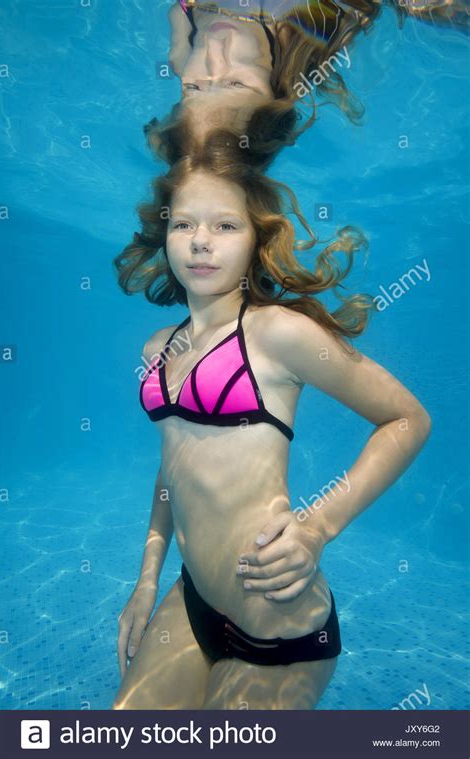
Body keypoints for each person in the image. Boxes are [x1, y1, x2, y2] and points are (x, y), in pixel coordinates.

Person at [110, 134, 431, 709]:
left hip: (278, 626)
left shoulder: (278, 333)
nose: (201, 242)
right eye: (184, 225)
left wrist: (316, 528)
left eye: (226, 226)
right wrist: (146, 580)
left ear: (257, 239)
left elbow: (407, 419)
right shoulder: (157, 349)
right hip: (192, 603)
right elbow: (173, 467)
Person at [145, 0, 469, 167]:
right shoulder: (315, 22)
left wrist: (182, 33)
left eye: (195, 88)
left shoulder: (184, 39)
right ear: (275, 86)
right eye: (235, 84)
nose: (215, 60)